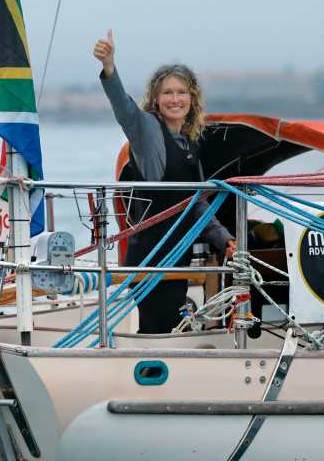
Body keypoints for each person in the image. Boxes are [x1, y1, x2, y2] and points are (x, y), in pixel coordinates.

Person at [93, 29, 236, 334]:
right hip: (148, 258)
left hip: (177, 261)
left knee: (172, 329)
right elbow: (124, 108)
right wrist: (109, 67)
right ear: (156, 100)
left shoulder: (190, 144)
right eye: (168, 93)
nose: (175, 99)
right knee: (148, 331)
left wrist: (226, 240)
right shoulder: (146, 130)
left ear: (192, 98)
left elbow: (197, 205)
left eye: (181, 92)